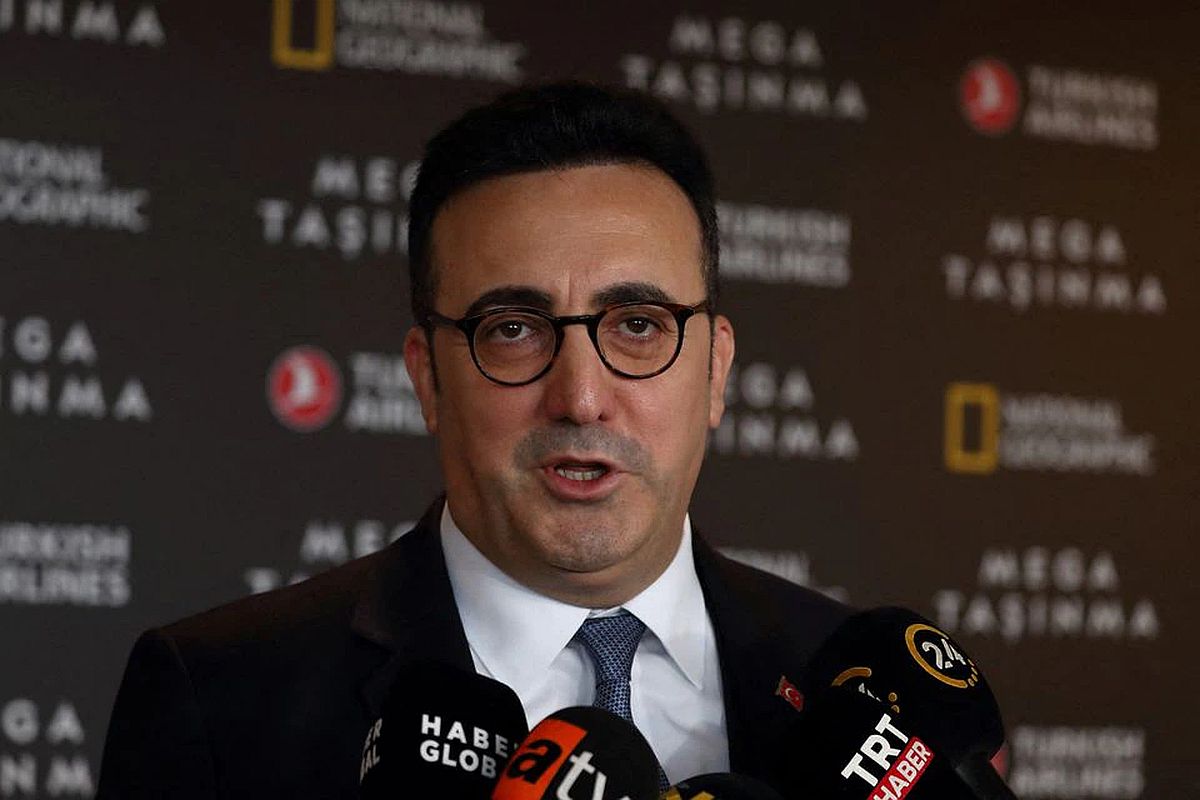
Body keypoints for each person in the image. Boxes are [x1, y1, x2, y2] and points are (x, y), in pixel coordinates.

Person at [96, 82, 850, 799]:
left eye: (638, 325)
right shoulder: (220, 704)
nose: (582, 399)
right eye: (513, 330)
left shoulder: (852, 687)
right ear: (427, 379)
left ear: (716, 369)